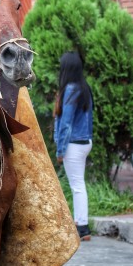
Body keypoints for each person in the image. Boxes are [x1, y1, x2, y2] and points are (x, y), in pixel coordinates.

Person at [53, 51, 93, 241]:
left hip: (74, 145)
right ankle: (79, 222)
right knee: (79, 184)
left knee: (77, 186)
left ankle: (83, 227)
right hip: (85, 142)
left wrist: (60, 150)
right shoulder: (84, 88)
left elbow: (66, 124)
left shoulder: (70, 89)